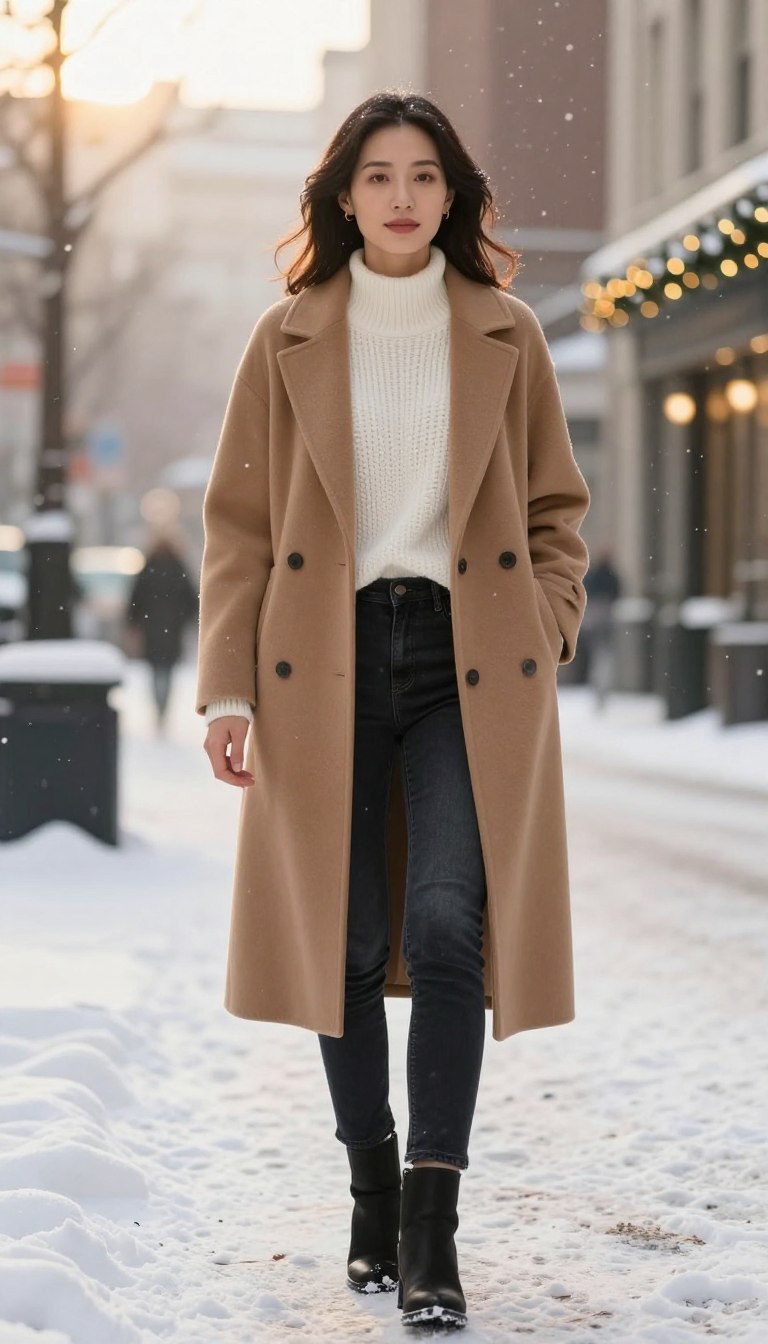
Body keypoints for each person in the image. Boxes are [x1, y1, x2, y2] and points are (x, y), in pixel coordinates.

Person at [196, 90, 590, 1332]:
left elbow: (556, 518)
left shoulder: (510, 335)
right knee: (350, 943)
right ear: (344, 196)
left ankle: (433, 1226)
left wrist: (547, 623)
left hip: (469, 666)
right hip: (326, 662)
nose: (404, 196)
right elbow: (240, 532)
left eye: (426, 175)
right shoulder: (288, 338)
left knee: (451, 927)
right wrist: (225, 687)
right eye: (379, 176)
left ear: (456, 194)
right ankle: (370, 1186)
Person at [125, 535, 198, 733]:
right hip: (172, 629)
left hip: (152, 629)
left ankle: (159, 708)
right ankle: (163, 709)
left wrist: (134, 623)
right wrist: (183, 620)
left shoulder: (148, 568)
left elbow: (134, 599)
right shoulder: (178, 568)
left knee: (156, 671)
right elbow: (192, 600)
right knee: (167, 671)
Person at [583, 545, 622, 710]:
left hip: (600, 621)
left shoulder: (597, 575)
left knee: (600, 656)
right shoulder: (608, 575)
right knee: (602, 656)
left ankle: (600, 688)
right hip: (603, 621)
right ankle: (600, 688)